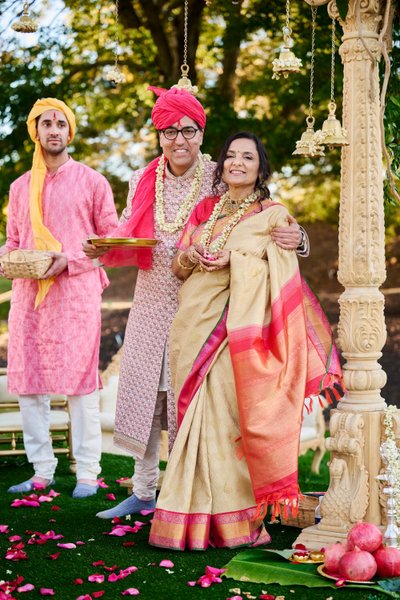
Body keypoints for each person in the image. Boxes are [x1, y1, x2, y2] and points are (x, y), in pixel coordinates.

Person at [90, 87, 308, 519]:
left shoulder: (219, 172)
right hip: (151, 298)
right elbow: (126, 229)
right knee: (145, 397)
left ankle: (180, 493)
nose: (179, 140)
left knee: (189, 399)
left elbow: (262, 219)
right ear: (159, 136)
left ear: (201, 133)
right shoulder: (140, 179)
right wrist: (102, 244)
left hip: (205, 306)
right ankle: (143, 489)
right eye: (169, 131)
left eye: (188, 130)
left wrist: (300, 239)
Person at [148, 131, 343, 550]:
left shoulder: (272, 213)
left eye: (247, 157)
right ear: (221, 166)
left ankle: (231, 523)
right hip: (192, 328)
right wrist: (191, 257)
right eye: (231, 156)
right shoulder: (205, 209)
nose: (237, 162)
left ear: (260, 168)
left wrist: (299, 240)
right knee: (194, 427)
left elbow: (289, 249)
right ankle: (189, 517)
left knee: (221, 422)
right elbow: (179, 266)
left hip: (236, 334)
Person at [2, 98, 118, 498]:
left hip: (76, 294)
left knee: (80, 386)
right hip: (29, 295)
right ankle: (41, 470)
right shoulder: (20, 188)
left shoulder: (92, 182)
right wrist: (6, 259)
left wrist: (66, 261)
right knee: (30, 384)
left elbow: (110, 242)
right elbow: (14, 240)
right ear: (36, 132)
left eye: (60, 124)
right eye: (45, 124)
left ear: (70, 132)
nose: (53, 130)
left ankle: (87, 471)